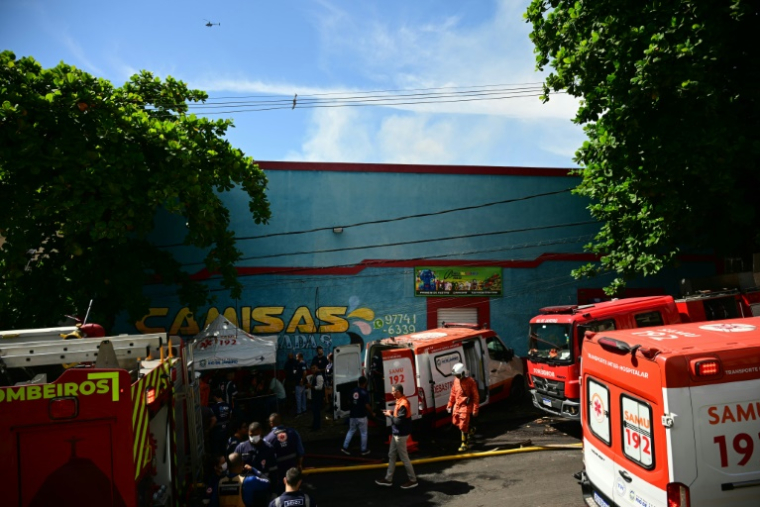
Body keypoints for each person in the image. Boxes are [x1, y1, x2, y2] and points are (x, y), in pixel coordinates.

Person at [375, 384, 417, 489]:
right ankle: (388, 479)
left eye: (393, 391)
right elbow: (398, 418)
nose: (391, 393)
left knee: (404, 458)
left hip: (400, 435)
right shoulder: (400, 401)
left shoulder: (403, 404)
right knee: (391, 455)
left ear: (398, 391)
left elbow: (398, 421)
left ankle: (413, 480)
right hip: (396, 434)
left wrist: (389, 415)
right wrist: (391, 413)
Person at [264, 413, 305, 494]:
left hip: (278, 475)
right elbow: (301, 452)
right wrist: (299, 465)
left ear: (271, 424)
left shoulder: (267, 439)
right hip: (293, 472)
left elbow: (266, 459)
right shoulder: (293, 433)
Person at [446, 362, 479, 452]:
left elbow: (475, 396)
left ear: (463, 373)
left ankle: (464, 443)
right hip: (457, 405)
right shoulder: (456, 381)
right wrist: (450, 404)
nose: (457, 376)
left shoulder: (470, 382)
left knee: (463, 425)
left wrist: (475, 409)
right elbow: (453, 393)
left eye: (458, 375)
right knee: (455, 421)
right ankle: (470, 429)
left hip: (466, 405)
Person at [341, 376, 374, 455]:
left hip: (353, 415)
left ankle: (344, 447)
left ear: (358, 382)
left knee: (351, 431)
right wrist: (372, 413)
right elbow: (367, 405)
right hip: (362, 416)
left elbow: (349, 402)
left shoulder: (353, 391)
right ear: (365, 383)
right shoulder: (365, 393)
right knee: (363, 433)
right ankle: (363, 450)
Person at [210, 389, 232, 456]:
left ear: (215, 397)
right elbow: (230, 417)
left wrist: (209, 429)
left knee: (217, 451)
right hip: (226, 431)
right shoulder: (228, 406)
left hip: (217, 432)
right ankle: (226, 463)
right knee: (225, 449)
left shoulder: (213, 408)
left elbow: (214, 420)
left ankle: (220, 465)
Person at [306, 364, 324, 431]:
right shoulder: (314, 376)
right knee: (314, 412)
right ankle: (314, 424)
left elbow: (320, 387)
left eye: (314, 368)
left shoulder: (319, 376)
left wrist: (311, 387)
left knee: (317, 412)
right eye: (312, 368)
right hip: (315, 396)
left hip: (318, 397)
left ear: (317, 368)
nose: (313, 370)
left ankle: (317, 426)